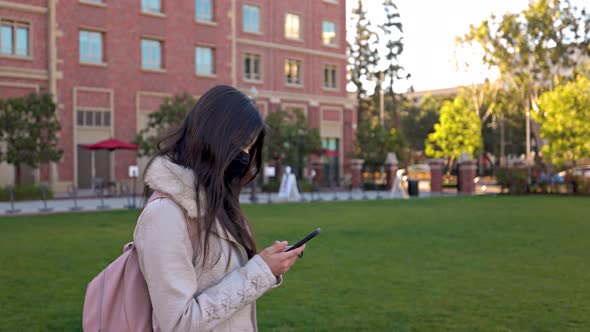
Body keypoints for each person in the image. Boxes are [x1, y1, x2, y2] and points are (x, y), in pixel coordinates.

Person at [134, 85, 306, 331]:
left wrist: (267, 265)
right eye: (241, 145)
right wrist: (260, 271)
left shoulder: (216, 202)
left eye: (250, 148)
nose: (245, 156)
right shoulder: (165, 215)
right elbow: (179, 323)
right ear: (213, 135)